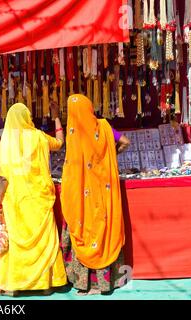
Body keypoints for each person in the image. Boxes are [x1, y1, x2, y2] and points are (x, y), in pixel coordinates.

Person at [0, 102, 67, 297]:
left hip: (16, 202)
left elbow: (2, 177)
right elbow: (60, 143)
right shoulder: (39, 137)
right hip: (39, 200)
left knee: (17, 243)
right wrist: (56, 117)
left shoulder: (6, 142)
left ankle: (15, 285)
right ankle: (45, 284)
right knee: (43, 240)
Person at [60, 94, 130, 296]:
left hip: (81, 195)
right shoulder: (105, 127)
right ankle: (103, 284)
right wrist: (109, 156)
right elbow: (126, 142)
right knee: (102, 230)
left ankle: (86, 285)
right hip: (103, 191)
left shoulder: (73, 131)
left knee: (85, 230)